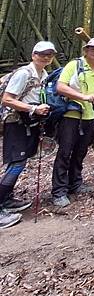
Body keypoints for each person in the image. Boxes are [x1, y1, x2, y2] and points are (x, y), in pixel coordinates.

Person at [0, 41, 54, 229]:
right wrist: (33, 108)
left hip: (28, 122)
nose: (46, 57)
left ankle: (6, 199)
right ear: (33, 55)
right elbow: (7, 99)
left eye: (49, 54)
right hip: (15, 122)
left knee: (20, 162)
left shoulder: (44, 74)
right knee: (17, 163)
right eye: (42, 54)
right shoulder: (24, 73)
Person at [51, 37, 94, 207]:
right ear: (86, 50)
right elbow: (60, 87)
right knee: (65, 152)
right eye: (92, 48)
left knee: (80, 151)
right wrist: (83, 97)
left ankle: (75, 183)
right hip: (71, 116)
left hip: (91, 117)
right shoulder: (74, 65)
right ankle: (59, 190)